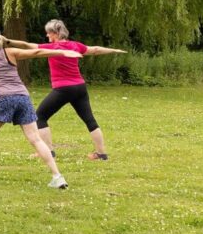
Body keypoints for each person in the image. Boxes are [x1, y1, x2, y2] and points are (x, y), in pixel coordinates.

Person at [0, 26, 81, 189]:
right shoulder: (11, 52)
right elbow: (36, 53)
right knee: (35, 138)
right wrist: (62, 52)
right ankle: (57, 176)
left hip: (3, 99)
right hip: (23, 97)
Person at [7, 19, 127, 161]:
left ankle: (48, 152)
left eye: (48, 33)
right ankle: (101, 154)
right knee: (90, 120)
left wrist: (7, 41)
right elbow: (95, 50)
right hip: (80, 87)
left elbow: (27, 45)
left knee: (40, 116)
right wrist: (113, 50)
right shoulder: (75, 45)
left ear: (55, 33)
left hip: (63, 89)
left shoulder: (51, 48)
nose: (47, 36)